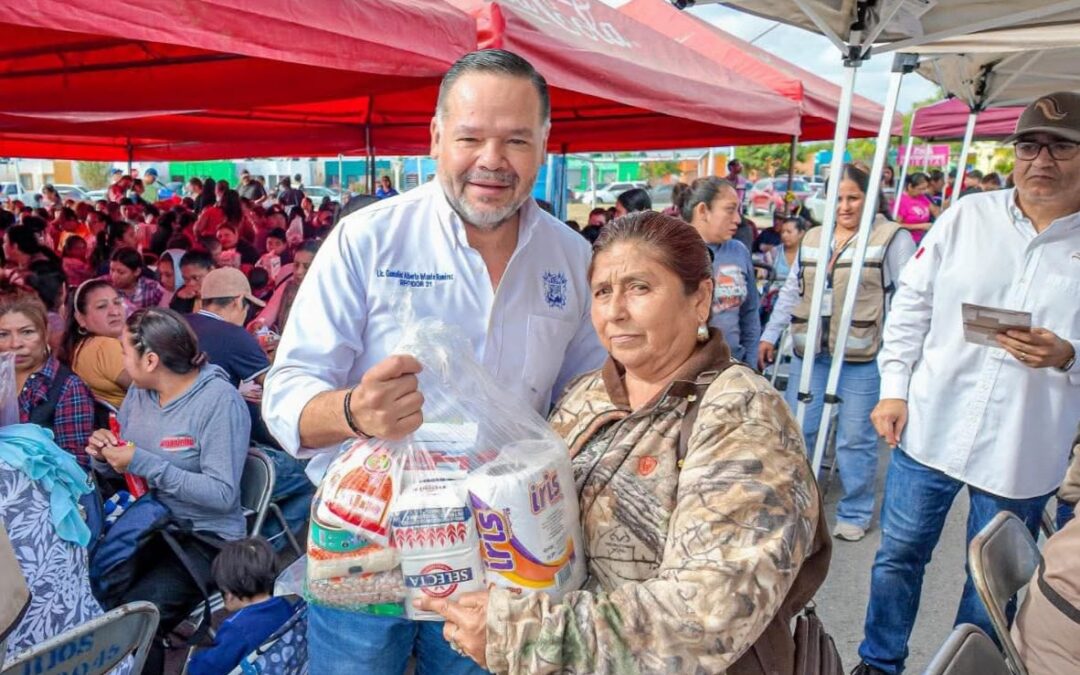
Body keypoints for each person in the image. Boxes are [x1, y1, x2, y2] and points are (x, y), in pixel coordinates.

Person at [263, 49, 606, 675]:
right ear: (436, 138)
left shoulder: (570, 257)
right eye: (471, 138)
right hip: (366, 544)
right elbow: (285, 394)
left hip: (506, 555)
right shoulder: (369, 239)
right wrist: (353, 411)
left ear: (544, 144)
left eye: (516, 140)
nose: (492, 160)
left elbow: (590, 398)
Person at [418, 211, 830, 673]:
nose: (615, 311)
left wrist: (520, 634)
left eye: (639, 288)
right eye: (602, 292)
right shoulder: (587, 393)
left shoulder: (742, 415)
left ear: (700, 299)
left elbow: (706, 615)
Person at [852, 92, 1080, 675]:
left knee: (991, 583)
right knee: (898, 556)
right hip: (933, 424)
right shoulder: (967, 217)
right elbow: (912, 305)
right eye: (1029, 146)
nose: (1041, 160)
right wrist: (893, 387)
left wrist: (1068, 355)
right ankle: (879, 663)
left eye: (1062, 147)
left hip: (1024, 447)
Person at [86, 307, 250, 674]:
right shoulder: (140, 393)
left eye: (125, 352)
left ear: (151, 360)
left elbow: (223, 494)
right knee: (95, 593)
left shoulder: (219, 401)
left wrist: (144, 462)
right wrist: (105, 454)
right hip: (149, 520)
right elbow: (128, 462)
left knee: (137, 619)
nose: (122, 362)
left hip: (205, 535)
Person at [758, 165, 915, 543]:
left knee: (854, 438)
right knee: (799, 431)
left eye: (853, 198)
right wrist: (770, 335)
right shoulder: (814, 237)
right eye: (838, 198)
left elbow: (909, 301)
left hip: (863, 357)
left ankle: (855, 511)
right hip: (810, 354)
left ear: (871, 198)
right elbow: (792, 292)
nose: (845, 206)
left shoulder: (892, 239)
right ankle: (797, 503)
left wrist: (902, 361)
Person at [0, 292, 95, 466]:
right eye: (3, 334)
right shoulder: (2, 380)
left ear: (45, 334)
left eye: (27, 332)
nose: (15, 344)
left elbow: (77, 464)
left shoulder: (68, 387)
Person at [185, 538, 295, 675]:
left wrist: (193, 662)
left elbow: (210, 668)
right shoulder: (283, 604)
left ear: (230, 593)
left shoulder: (236, 629)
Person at [682, 176, 760, 364]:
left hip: (733, 365)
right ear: (703, 211)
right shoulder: (671, 253)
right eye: (730, 210)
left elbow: (750, 313)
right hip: (685, 370)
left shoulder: (738, 251)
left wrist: (750, 363)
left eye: (738, 211)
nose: (738, 219)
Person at [63, 279, 131, 410]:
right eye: (102, 306)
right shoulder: (105, 347)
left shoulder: (81, 347)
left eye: (117, 303)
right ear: (81, 319)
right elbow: (156, 387)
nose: (115, 312)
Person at [253, 239, 318, 334]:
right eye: (296, 265)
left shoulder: (331, 295)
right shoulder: (288, 287)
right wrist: (258, 325)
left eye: (307, 266)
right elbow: (265, 318)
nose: (298, 271)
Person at [894, 172, 939, 245]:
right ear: (910, 186)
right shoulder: (901, 202)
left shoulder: (922, 197)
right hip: (908, 241)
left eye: (925, 188)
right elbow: (896, 225)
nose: (923, 192)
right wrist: (920, 226)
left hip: (923, 239)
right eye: (921, 189)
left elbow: (935, 211)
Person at [170, 250, 214, 314]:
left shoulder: (225, 292)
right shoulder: (183, 293)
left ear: (211, 270)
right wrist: (180, 300)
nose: (190, 284)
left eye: (196, 278)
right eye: (186, 279)